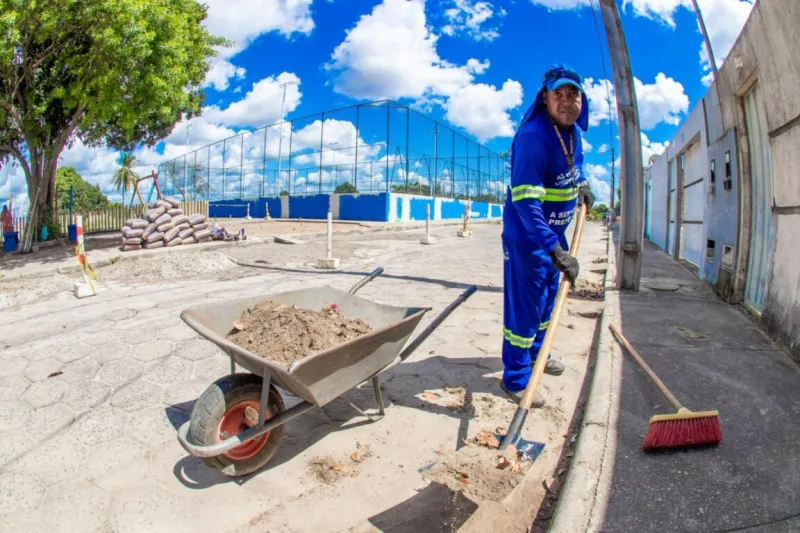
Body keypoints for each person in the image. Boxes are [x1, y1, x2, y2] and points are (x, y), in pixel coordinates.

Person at [501, 64, 595, 408]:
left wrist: (582, 185)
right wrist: (554, 249)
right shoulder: (534, 137)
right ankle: (515, 378)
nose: (567, 101)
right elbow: (526, 202)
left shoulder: (571, 133)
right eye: (559, 94)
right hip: (529, 238)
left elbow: (573, 168)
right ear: (546, 99)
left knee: (547, 301)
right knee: (525, 308)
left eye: (573, 94)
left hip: (553, 235)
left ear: (582, 100)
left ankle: (538, 356)